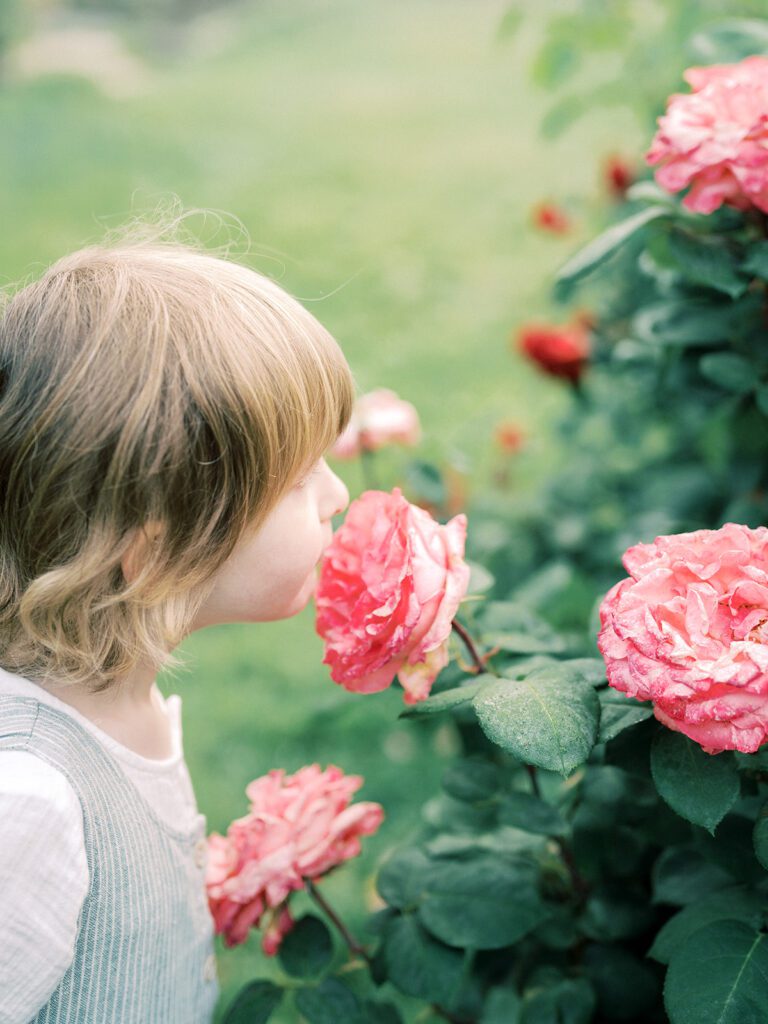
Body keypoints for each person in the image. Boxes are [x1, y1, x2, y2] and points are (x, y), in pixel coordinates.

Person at [0, 215, 353, 1023]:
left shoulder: (116, 703)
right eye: (301, 480)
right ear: (156, 554)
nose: (336, 495)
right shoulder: (26, 801)